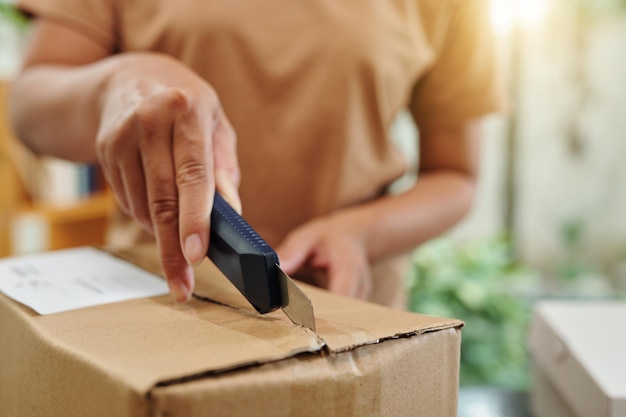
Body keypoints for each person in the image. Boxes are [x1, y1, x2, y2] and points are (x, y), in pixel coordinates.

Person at [9, 0, 503, 310]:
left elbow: (456, 175)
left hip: (349, 321)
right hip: (161, 306)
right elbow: (28, 108)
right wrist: (114, 85)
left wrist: (360, 233)